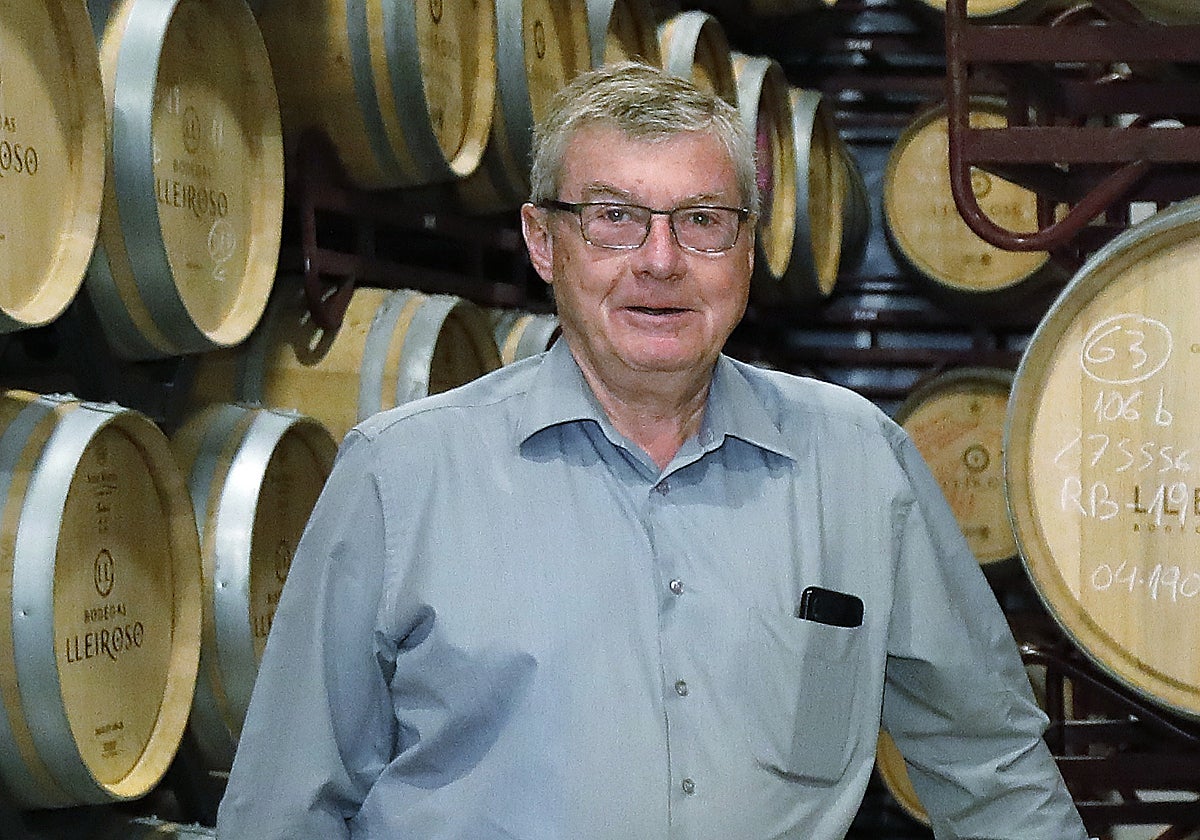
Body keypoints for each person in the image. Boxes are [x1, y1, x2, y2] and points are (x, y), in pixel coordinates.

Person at [216, 61, 1089, 839]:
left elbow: (994, 772)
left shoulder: (860, 463)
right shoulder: (398, 478)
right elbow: (285, 807)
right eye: (613, 219)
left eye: (703, 220)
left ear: (747, 248)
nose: (660, 261)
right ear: (541, 241)